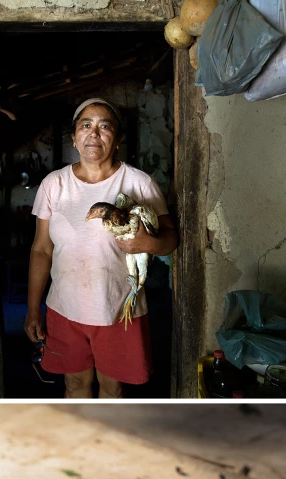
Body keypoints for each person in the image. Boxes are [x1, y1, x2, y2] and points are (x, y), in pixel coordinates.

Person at [24, 98, 179, 398]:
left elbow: (172, 238)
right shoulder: (53, 185)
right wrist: (33, 309)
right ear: (74, 138)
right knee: (75, 384)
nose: (94, 133)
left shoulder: (139, 183)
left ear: (118, 139)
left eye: (104, 126)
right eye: (86, 125)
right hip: (65, 308)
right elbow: (41, 249)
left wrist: (151, 243)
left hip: (119, 309)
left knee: (112, 388)